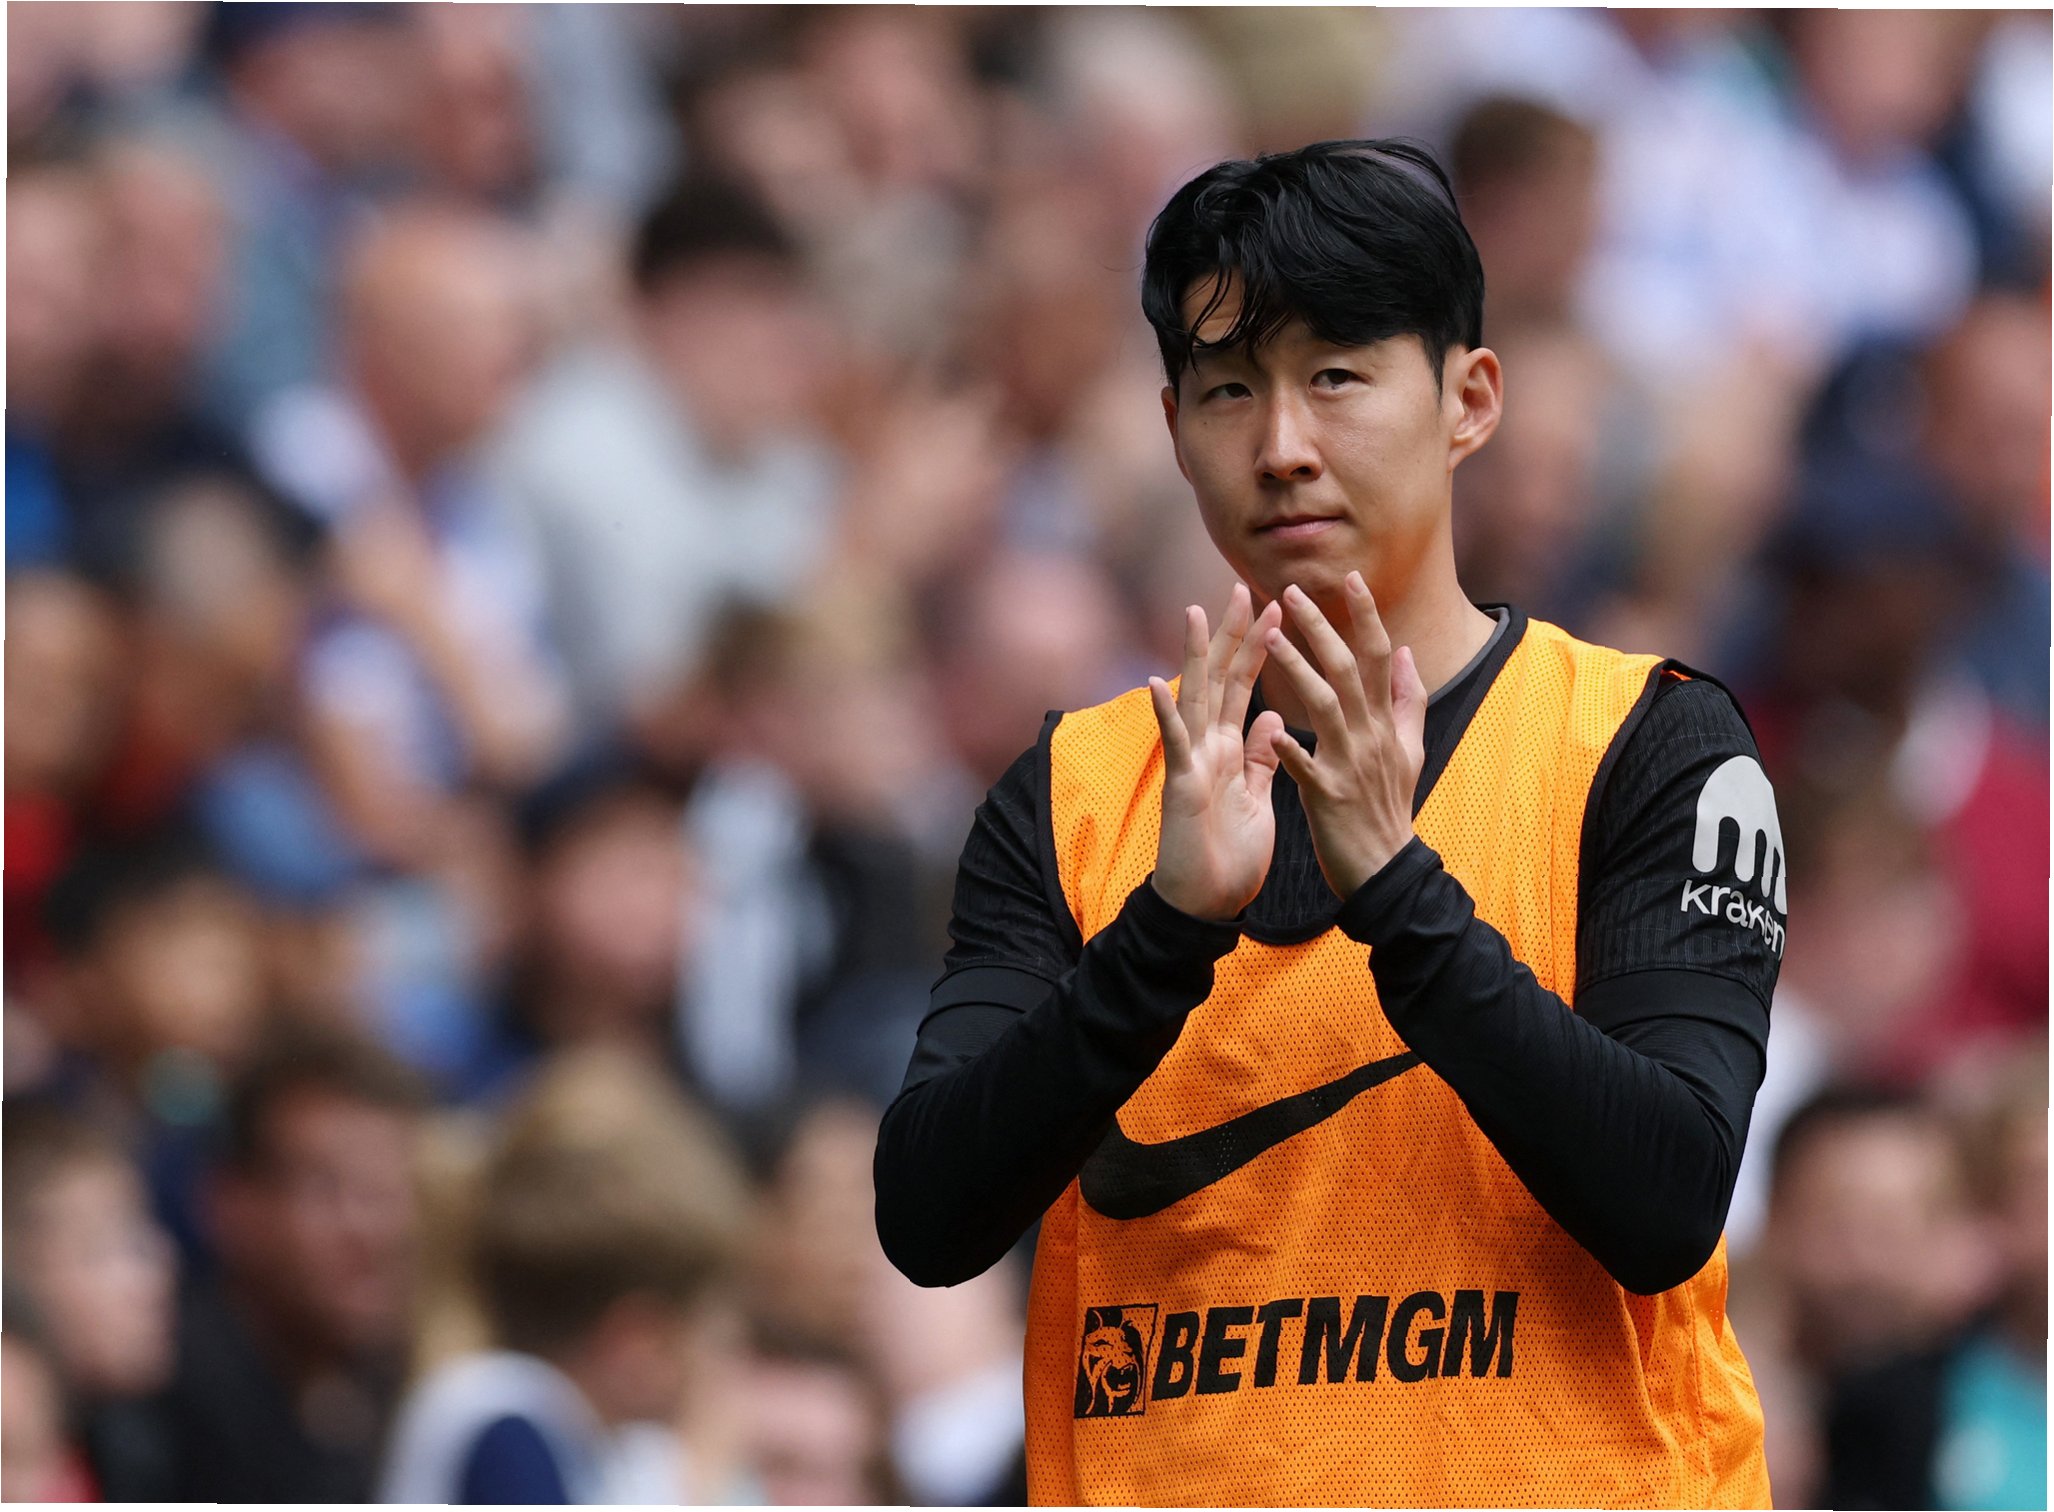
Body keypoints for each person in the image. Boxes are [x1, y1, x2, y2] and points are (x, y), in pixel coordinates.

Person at [875, 139, 1786, 1506]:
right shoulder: (1073, 791)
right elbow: (928, 1218)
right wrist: (1165, 933)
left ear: (1469, 401)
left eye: (1338, 377)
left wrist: (1401, 893)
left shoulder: (1645, 744)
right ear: (1171, 426)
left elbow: (1666, 1201)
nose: (1282, 447)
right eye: (1228, 390)